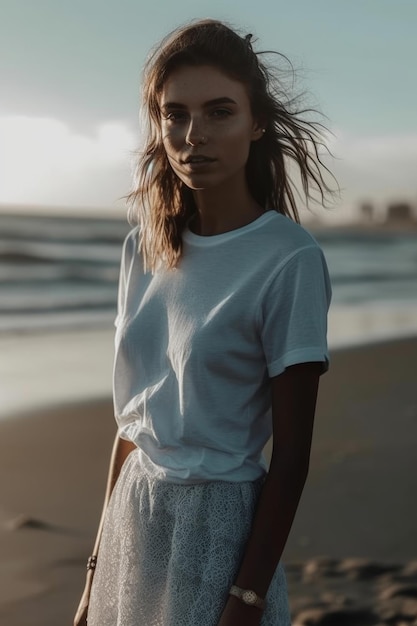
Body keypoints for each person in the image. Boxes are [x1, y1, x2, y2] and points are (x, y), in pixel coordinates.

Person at [74, 18, 333, 626]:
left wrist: (246, 598)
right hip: (133, 515)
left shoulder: (288, 258)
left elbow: (292, 456)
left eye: (219, 112)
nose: (194, 135)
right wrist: (94, 573)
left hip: (219, 528)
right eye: (175, 114)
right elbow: (133, 423)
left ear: (257, 122)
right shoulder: (144, 247)